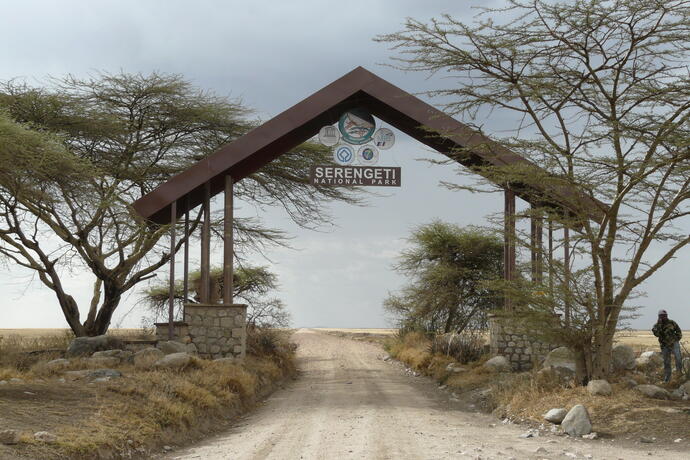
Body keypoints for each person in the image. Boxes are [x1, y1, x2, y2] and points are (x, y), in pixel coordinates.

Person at [652, 309, 683, 383]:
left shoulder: (672, 323)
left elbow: (679, 331)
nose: (664, 317)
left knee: (678, 359)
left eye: (665, 315)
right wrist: (659, 325)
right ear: (659, 316)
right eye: (662, 316)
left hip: (674, 344)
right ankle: (667, 379)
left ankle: (679, 376)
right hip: (664, 345)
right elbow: (657, 334)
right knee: (667, 362)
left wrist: (677, 338)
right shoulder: (656, 326)